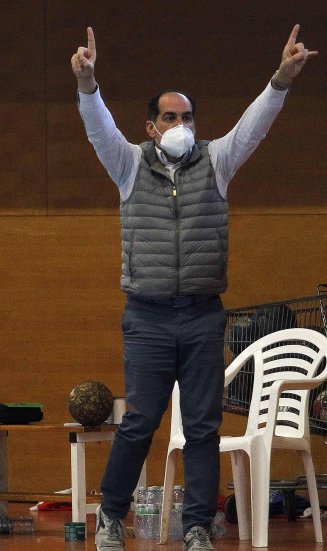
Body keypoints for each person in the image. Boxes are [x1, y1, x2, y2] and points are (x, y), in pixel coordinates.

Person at [70, 26, 317, 551]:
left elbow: (254, 127)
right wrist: (88, 83)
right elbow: (98, 129)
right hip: (147, 315)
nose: (179, 125)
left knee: (203, 428)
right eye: (169, 117)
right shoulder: (129, 165)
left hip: (204, 314)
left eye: (186, 117)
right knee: (139, 423)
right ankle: (111, 517)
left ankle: (199, 527)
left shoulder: (217, 162)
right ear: (151, 126)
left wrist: (280, 79)